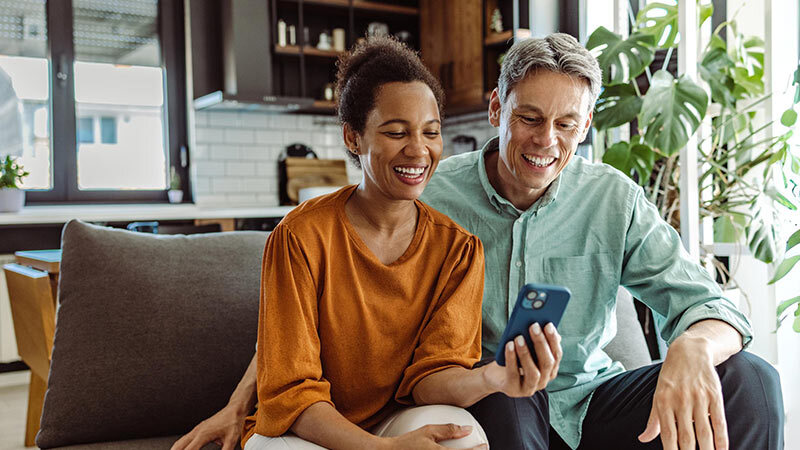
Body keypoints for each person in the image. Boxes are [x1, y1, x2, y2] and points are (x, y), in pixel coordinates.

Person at [174, 34, 784, 450]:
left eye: (566, 123)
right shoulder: (421, 192)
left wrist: (693, 349)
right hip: (487, 395)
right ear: (496, 107)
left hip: (589, 396)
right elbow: (310, 309)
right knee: (506, 404)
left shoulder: (613, 199)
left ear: (586, 126)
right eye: (529, 117)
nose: (547, 139)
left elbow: (715, 305)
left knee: (752, 380)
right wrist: (240, 402)